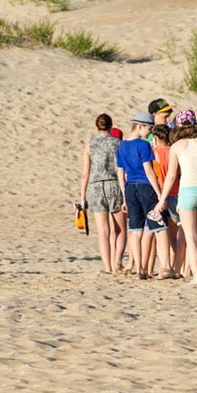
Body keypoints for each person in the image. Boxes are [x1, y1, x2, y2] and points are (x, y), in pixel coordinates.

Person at [155, 110, 197, 284]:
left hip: (187, 191)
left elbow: (171, 176)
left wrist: (162, 199)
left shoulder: (177, 146)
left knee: (190, 236)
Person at [117, 112, 175, 280]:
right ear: (140, 126)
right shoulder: (143, 145)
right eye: (149, 128)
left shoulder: (121, 146)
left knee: (135, 230)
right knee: (159, 226)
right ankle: (166, 267)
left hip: (130, 189)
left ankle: (139, 269)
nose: (150, 132)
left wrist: (124, 196)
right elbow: (149, 171)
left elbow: (121, 174)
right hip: (145, 188)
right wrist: (159, 195)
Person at [79, 113, 126, 274]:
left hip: (96, 186)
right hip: (114, 184)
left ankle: (107, 266)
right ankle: (117, 262)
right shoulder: (118, 143)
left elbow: (85, 173)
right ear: (111, 126)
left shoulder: (90, 145)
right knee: (120, 230)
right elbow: (123, 168)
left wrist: (82, 196)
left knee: (103, 232)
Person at [152, 125, 182, 273]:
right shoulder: (173, 152)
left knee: (161, 233)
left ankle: (165, 265)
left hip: (160, 194)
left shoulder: (153, 153)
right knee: (173, 235)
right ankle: (177, 266)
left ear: (155, 138)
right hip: (175, 193)